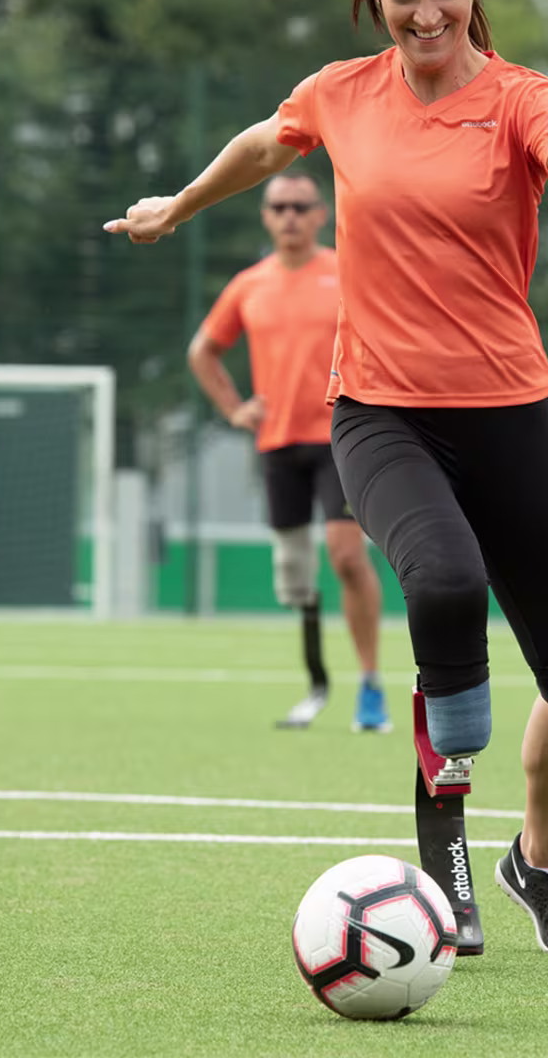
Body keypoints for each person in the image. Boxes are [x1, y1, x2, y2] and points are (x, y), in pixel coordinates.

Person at [106, 0, 548, 953]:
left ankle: (537, 863)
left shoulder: (526, 98)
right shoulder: (342, 93)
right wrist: (177, 205)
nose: (424, 12)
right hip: (381, 412)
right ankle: (444, 855)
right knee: (443, 581)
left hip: (510, 415)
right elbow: (265, 144)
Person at [187, 172, 389, 732]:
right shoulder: (250, 285)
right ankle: (317, 683)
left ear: (321, 215)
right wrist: (234, 410)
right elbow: (203, 351)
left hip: (339, 438)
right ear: (266, 217)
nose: (291, 216)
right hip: (277, 443)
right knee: (295, 577)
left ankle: (370, 687)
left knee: (347, 557)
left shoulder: (345, 273)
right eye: (280, 207)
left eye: (301, 206)